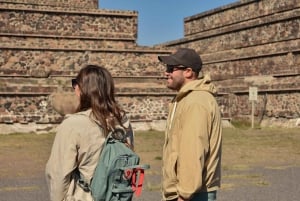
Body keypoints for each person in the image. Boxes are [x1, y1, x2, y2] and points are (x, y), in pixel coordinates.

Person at [45, 64, 134, 201]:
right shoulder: (122, 121)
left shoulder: (72, 124)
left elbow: (58, 175)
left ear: (82, 89)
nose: (74, 87)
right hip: (116, 195)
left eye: (76, 83)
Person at [158, 48, 222, 201]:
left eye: (171, 69)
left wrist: (184, 194)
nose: (166, 73)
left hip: (191, 195)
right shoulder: (186, 100)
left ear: (188, 72)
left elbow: (193, 150)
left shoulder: (196, 102)